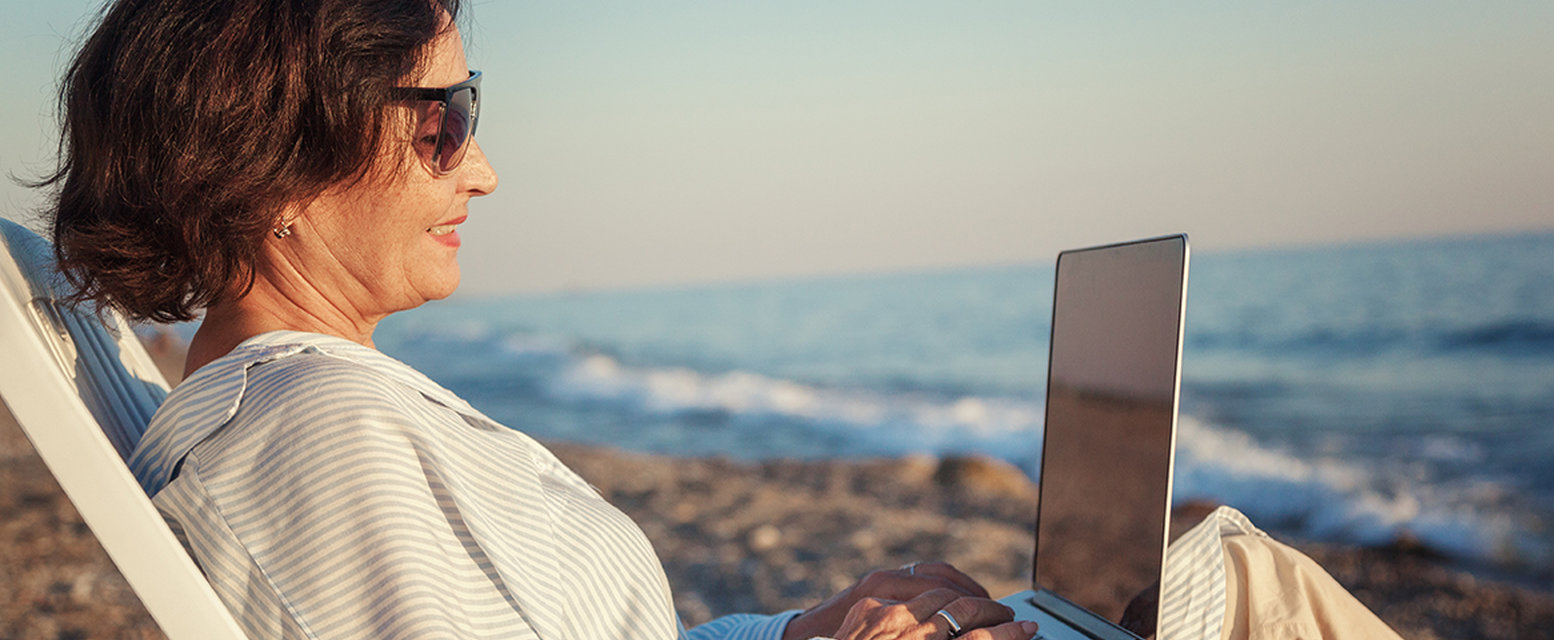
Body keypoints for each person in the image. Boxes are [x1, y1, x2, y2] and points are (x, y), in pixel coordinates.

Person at [38, 0, 1034, 638]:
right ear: (271, 171)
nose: (482, 168)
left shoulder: (310, 412)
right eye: (443, 121)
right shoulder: (322, 441)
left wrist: (793, 634)